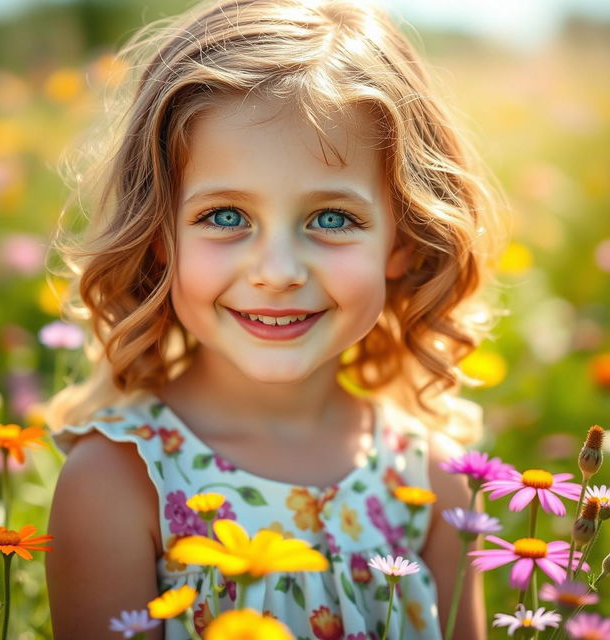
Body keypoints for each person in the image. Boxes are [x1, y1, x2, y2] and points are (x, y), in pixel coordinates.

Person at [45, 0, 506, 638]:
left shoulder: (429, 483)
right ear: (159, 236)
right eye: (227, 216)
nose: (278, 270)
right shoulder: (121, 482)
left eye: (332, 218)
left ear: (402, 240)